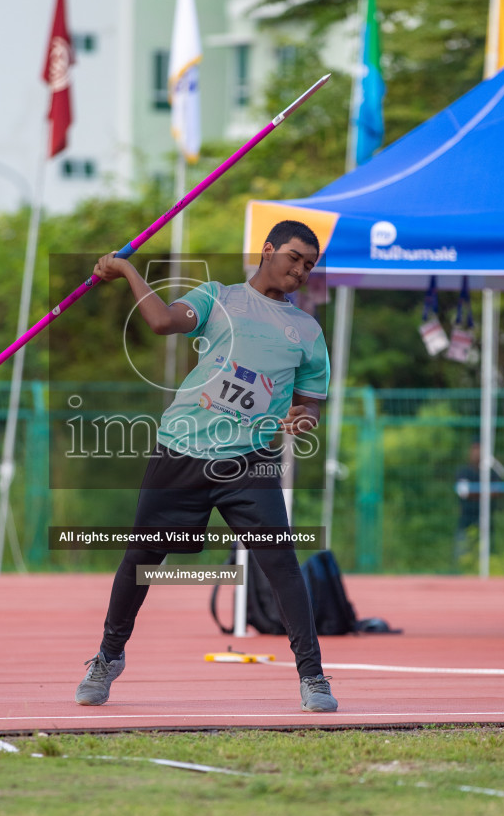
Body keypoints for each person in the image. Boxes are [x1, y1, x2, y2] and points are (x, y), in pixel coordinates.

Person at [75, 219, 338, 713]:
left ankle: (314, 676)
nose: (301, 270)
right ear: (268, 250)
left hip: (250, 460)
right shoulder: (218, 297)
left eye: (309, 265)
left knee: (281, 564)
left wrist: (303, 420)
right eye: (294, 258)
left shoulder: (307, 331)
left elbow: (309, 404)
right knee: (142, 561)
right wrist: (130, 270)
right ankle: (108, 657)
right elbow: (159, 322)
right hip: (182, 447)